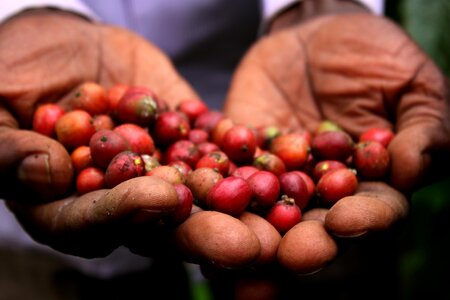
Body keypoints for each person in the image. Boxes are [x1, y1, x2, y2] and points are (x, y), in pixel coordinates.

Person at [0, 0, 449, 299]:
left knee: (320, 267)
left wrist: (319, 8)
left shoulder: (236, 156)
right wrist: (23, 12)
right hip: (32, 246)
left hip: (273, 89)